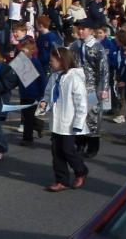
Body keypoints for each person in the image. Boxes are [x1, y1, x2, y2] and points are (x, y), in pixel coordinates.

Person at [38, 47, 88, 192]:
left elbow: (81, 103)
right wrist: (44, 103)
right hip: (56, 122)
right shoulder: (54, 77)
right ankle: (62, 181)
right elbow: (48, 95)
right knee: (56, 152)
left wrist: (78, 123)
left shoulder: (74, 78)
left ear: (61, 61)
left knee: (68, 150)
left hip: (69, 122)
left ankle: (81, 171)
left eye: (52, 61)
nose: (50, 64)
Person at [69, 19, 109, 158]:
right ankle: (80, 143)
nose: (80, 31)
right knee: (78, 115)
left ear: (91, 31)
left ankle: (93, 144)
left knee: (92, 116)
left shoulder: (97, 47)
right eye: (79, 28)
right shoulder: (75, 45)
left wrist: (103, 88)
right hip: (78, 86)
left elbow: (104, 69)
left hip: (92, 88)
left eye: (83, 29)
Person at [18, 41, 46, 146]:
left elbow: (42, 79)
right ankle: (38, 124)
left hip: (33, 94)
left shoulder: (35, 62)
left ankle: (27, 138)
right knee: (26, 115)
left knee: (27, 117)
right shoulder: (20, 62)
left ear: (31, 51)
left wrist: (42, 94)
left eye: (24, 51)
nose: (22, 54)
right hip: (24, 93)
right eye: (21, 51)